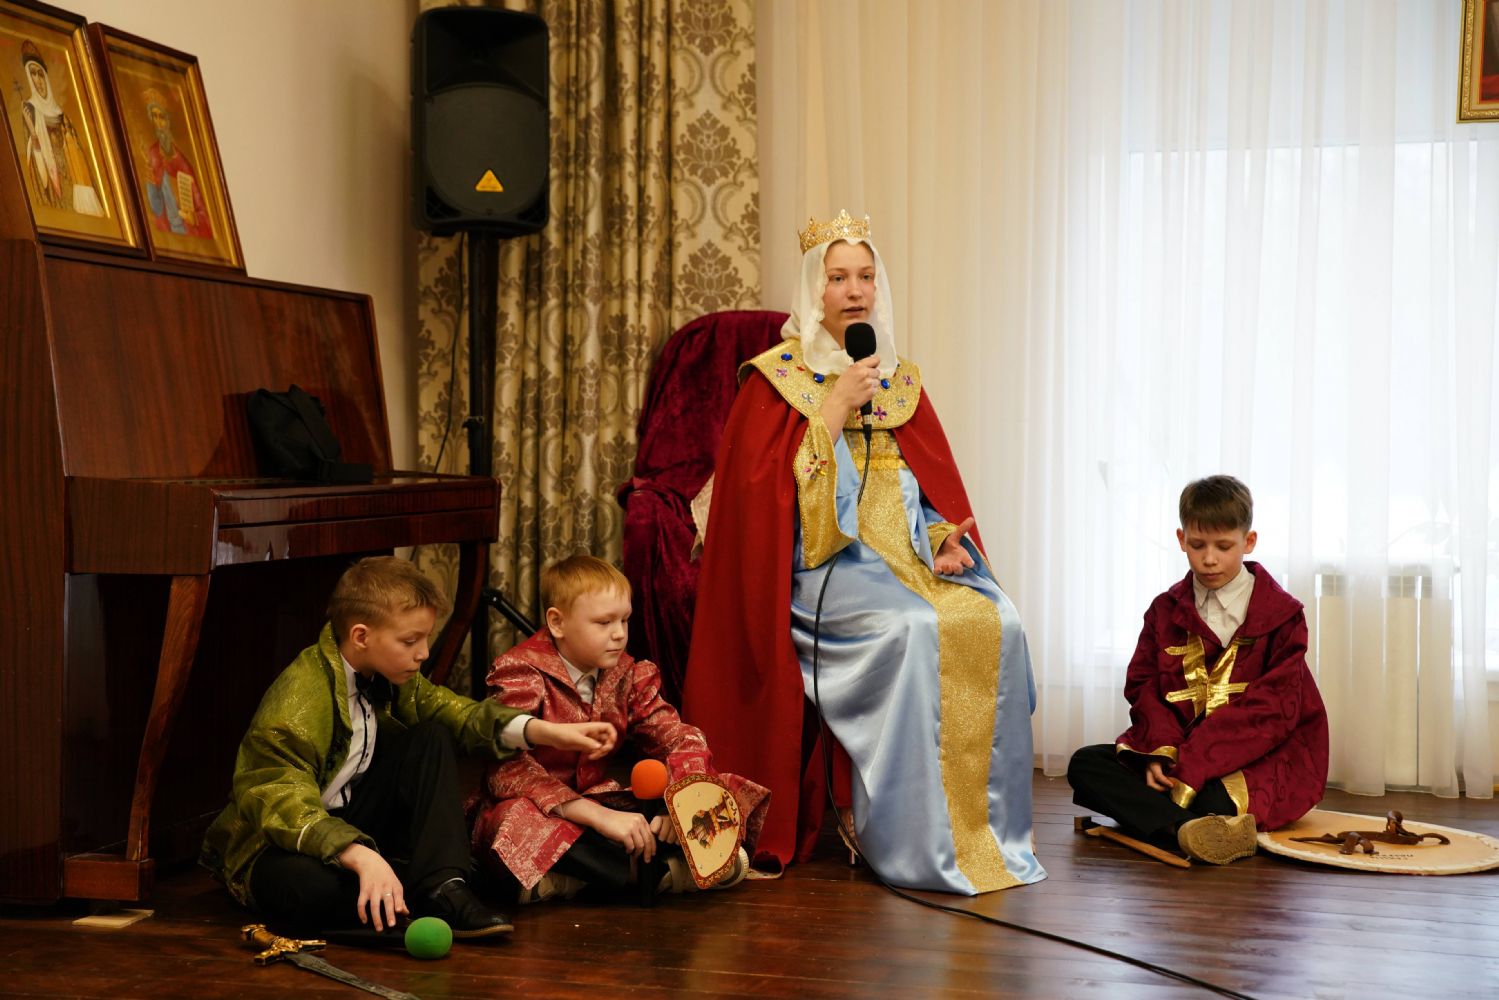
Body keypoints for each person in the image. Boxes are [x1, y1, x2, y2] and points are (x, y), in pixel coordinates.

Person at [680, 211, 1045, 895]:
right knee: (913, 627)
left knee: (997, 618)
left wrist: (940, 539)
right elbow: (769, 509)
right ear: (812, 289)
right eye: (838, 277)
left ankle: (980, 827)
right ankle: (890, 828)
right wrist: (833, 409)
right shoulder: (772, 381)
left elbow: (920, 489)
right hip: (823, 570)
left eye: (866, 277)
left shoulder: (899, 380)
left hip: (907, 563)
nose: (854, 290)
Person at [200, 556, 616, 939]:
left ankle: (443, 886)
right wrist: (356, 853)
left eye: (426, 638)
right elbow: (279, 798)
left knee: (431, 737)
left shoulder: (389, 673)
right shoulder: (300, 696)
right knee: (307, 887)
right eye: (410, 640)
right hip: (280, 842)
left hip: (350, 819)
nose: (423, 653)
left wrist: (549, 733)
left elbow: (455, 713)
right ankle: (392, 905)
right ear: (361, 636)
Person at [468, 554, 769, 904]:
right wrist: (597, 816)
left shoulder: (627, 673)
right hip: (541, 808)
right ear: (557, 622)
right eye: (603, 622)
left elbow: (679, 737)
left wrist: (681, 803)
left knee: (714, 789)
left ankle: (573, 880)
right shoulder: (521, 670)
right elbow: (506, 770)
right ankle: (655, 875)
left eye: (625, 620)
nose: (619, 634)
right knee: (513, 822)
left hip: (597, 804)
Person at [1067, 475, 1329, 864]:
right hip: (1179, 754)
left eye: (1224, 547)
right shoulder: (1164, 610)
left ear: (1248, 541)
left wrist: (1192, 767)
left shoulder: (1283, 616)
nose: (1209, 559)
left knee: (1207, 797)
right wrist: (1158, 754)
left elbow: (1273, 711)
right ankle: (1190, 831)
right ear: (1181, 539)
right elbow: (1144, 687)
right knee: (1085, 764)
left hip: (1258, 758)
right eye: (1197, 545)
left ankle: (1167, 821)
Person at [18, 40, 103, 216]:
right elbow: (34, 169)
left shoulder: (63, 116)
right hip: (54, 189)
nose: (38, 80)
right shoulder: (29, 111)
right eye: (33, 74)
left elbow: (82, 161)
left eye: (40, 74)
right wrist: (34, 133)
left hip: (75, 186)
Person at [141, 88, 212, 237]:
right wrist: (151, 185)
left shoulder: (182, 163)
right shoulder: (152, 154)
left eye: (162, 117)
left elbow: (200, 206)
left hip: (186, 230)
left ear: (168, 120)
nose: (159, 123)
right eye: (154, 117)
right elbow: (156, 208)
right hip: (168, 230)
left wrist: (194, 218)